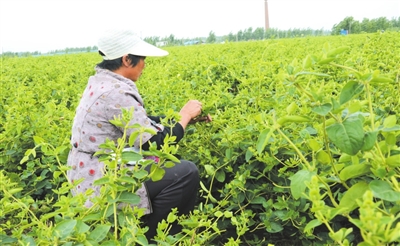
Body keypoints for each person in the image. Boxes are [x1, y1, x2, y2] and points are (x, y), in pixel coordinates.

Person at [66, 29, 210, 241]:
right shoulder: (116, 91)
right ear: (126, 59)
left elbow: (140, 121)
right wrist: (184, 115)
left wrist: (184, 118)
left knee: (167, 171)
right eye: (141, 58)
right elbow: (156, 142)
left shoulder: (100, 82)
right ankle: (151, 236)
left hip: (88, 170)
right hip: (102, 178)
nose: (144, 64)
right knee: (186, 173)